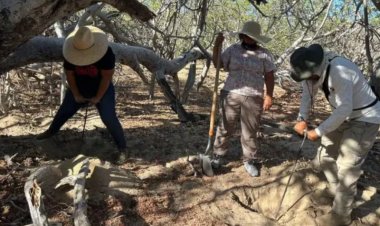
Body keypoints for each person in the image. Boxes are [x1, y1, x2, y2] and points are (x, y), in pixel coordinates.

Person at [290, 44, 380, 226]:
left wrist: (318, 131)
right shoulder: (311, 72)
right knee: (325, 155)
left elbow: (345, 108)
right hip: (343, 115)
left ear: (316, 69)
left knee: (347, 166)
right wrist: (302, 118)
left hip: (366, 118)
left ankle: (340, 216)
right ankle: (336, 189)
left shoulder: (339, 71)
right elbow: (307, 93)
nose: (307, 80)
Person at [36, 25, 128, 164]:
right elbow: (70, 75)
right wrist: (76, 94)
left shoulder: (107, 54)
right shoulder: (70, 53)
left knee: (109, 117)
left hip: (102, 89)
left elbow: (106, 78)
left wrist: (97, 98)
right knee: (64, 111)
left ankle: (122, 149)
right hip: (78, 87)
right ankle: (50, 133)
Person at [210, 21, 276, 177]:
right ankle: (218, 155)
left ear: (257, 38)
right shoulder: (232, 50)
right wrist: (216, 47)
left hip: (254, 96)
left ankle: (249, 160)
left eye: (252, 37)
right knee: (225, 126)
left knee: (250, 131)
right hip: (231, 93)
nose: (248, 39)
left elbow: (269, 75)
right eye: (246, 36)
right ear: (242, 36)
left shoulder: (264, 54)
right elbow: (217, 64)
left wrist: (269, 96)